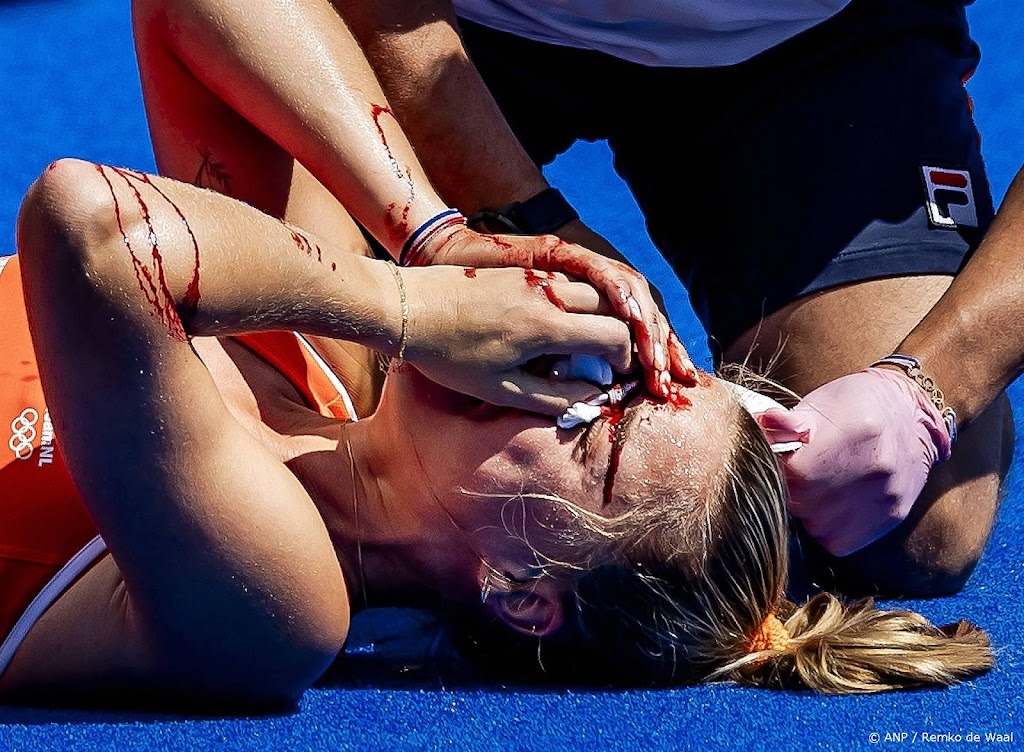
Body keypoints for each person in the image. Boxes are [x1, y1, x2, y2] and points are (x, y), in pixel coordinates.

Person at [0, 158, 994, 704]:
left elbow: (90, 223)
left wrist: (413, 302)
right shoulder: (304, 348)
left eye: (591, 428)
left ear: (522, 594)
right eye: (621, 372)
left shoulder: (282, 605)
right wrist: (444, 240)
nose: (552, 381)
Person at [304, 0, 1015, 596]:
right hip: (459, 18)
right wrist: (505, 223)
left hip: (808, 37)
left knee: (923, 519)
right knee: (281, 338)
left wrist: (931, 385)